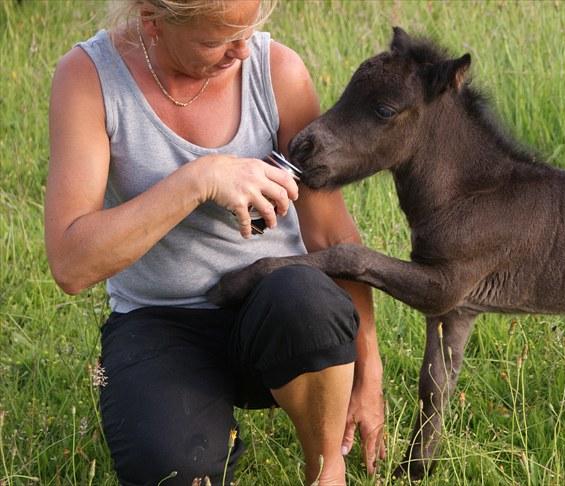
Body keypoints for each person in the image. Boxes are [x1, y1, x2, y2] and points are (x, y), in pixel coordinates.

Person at [44, 0, 385, 484]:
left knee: (306, 300)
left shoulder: (278, 71)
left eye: (248, 31)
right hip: (158, 319)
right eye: (215, 40)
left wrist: (368, 367)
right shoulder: (89, 78)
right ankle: (203, 430)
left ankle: (325, 466)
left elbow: (333, 234)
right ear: (152, 20)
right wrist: (199, 180)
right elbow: (70, 264)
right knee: (171, 471)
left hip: (275, 308)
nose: (241, 52)